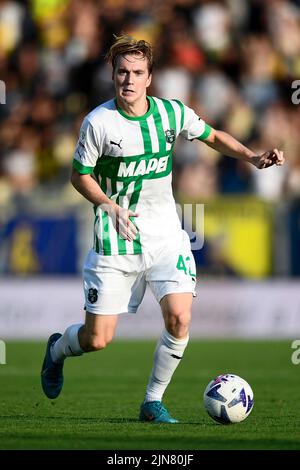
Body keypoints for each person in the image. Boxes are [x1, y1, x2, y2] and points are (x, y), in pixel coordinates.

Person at [41, 35, 285, 423]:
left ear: (150, 77)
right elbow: (78, 176)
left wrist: (252, 156)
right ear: (113, 75)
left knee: (180, 318)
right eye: (122, 72)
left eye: (137, 72)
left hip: (167, 238)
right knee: (97, 340)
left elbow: (214, 136)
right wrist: (108, 205)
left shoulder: (171, 114)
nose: (129, 80)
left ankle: (152, 401)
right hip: (115, 240)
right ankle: (57, 351)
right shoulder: (98, 122)